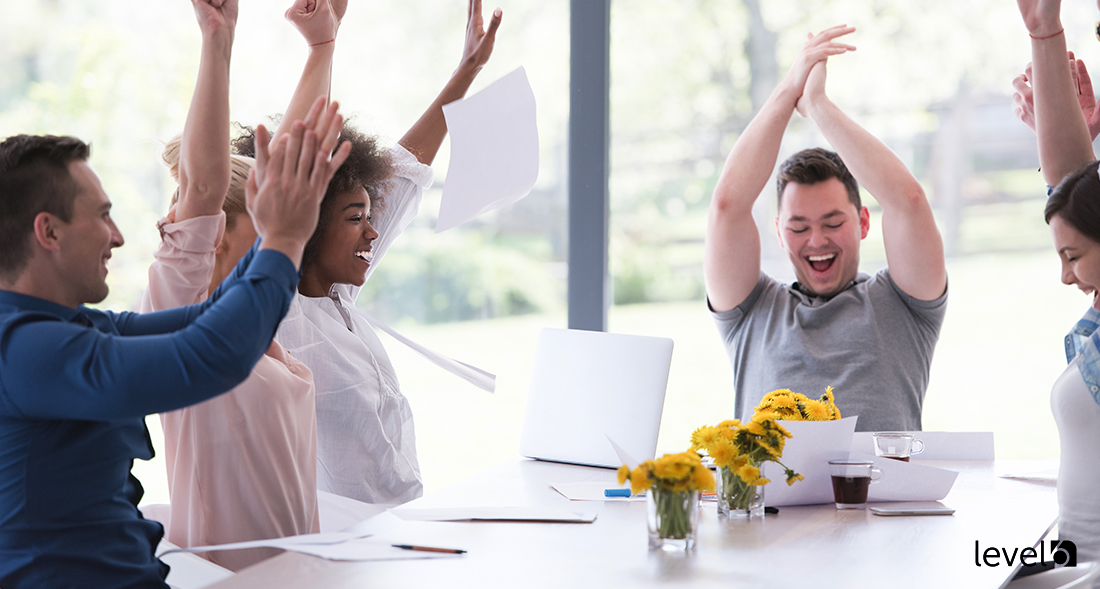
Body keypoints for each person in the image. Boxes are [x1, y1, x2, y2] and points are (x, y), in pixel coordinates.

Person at [0, 94, 351, 587]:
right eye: (102, 215)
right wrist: (284, 239)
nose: (118, 235)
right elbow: (209, 356)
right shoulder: (23, 350)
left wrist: (279, 232)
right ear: (49, 232)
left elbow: (209, 321)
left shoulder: (71, 330)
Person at [234, 0, 502, 504]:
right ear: (304, 222)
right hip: (341, 558)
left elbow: (405, 171)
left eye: (370, 216)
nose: (373, 233)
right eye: (356, 220)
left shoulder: (337, 300)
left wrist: (466, 72)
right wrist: (322, 47)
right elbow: (295, 162)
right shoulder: (279, 317)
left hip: (400, 535)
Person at [138, 0, 318, 571]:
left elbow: (289, 156)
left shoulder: (255, 315)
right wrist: (218, 40)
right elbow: (201, 189)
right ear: (217, 235)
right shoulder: (175, 312)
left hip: (298, 576)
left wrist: (323, 49)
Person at [704, 26, 948, 432]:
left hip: (875, 497)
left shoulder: (902, 305)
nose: (817, 241)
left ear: (863, 221)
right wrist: (789, 89)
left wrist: (816, 104)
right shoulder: (753, 311)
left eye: (833, 222)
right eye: (799, 227)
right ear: (779, 233)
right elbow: (728, 206)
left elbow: (908, 203)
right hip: (771, 497)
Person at [1011, 0, 1100, 578]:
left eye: (1073, 260)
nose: (1066, 274)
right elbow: (1072, 192)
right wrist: (1045, 31)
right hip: (1070, 555)